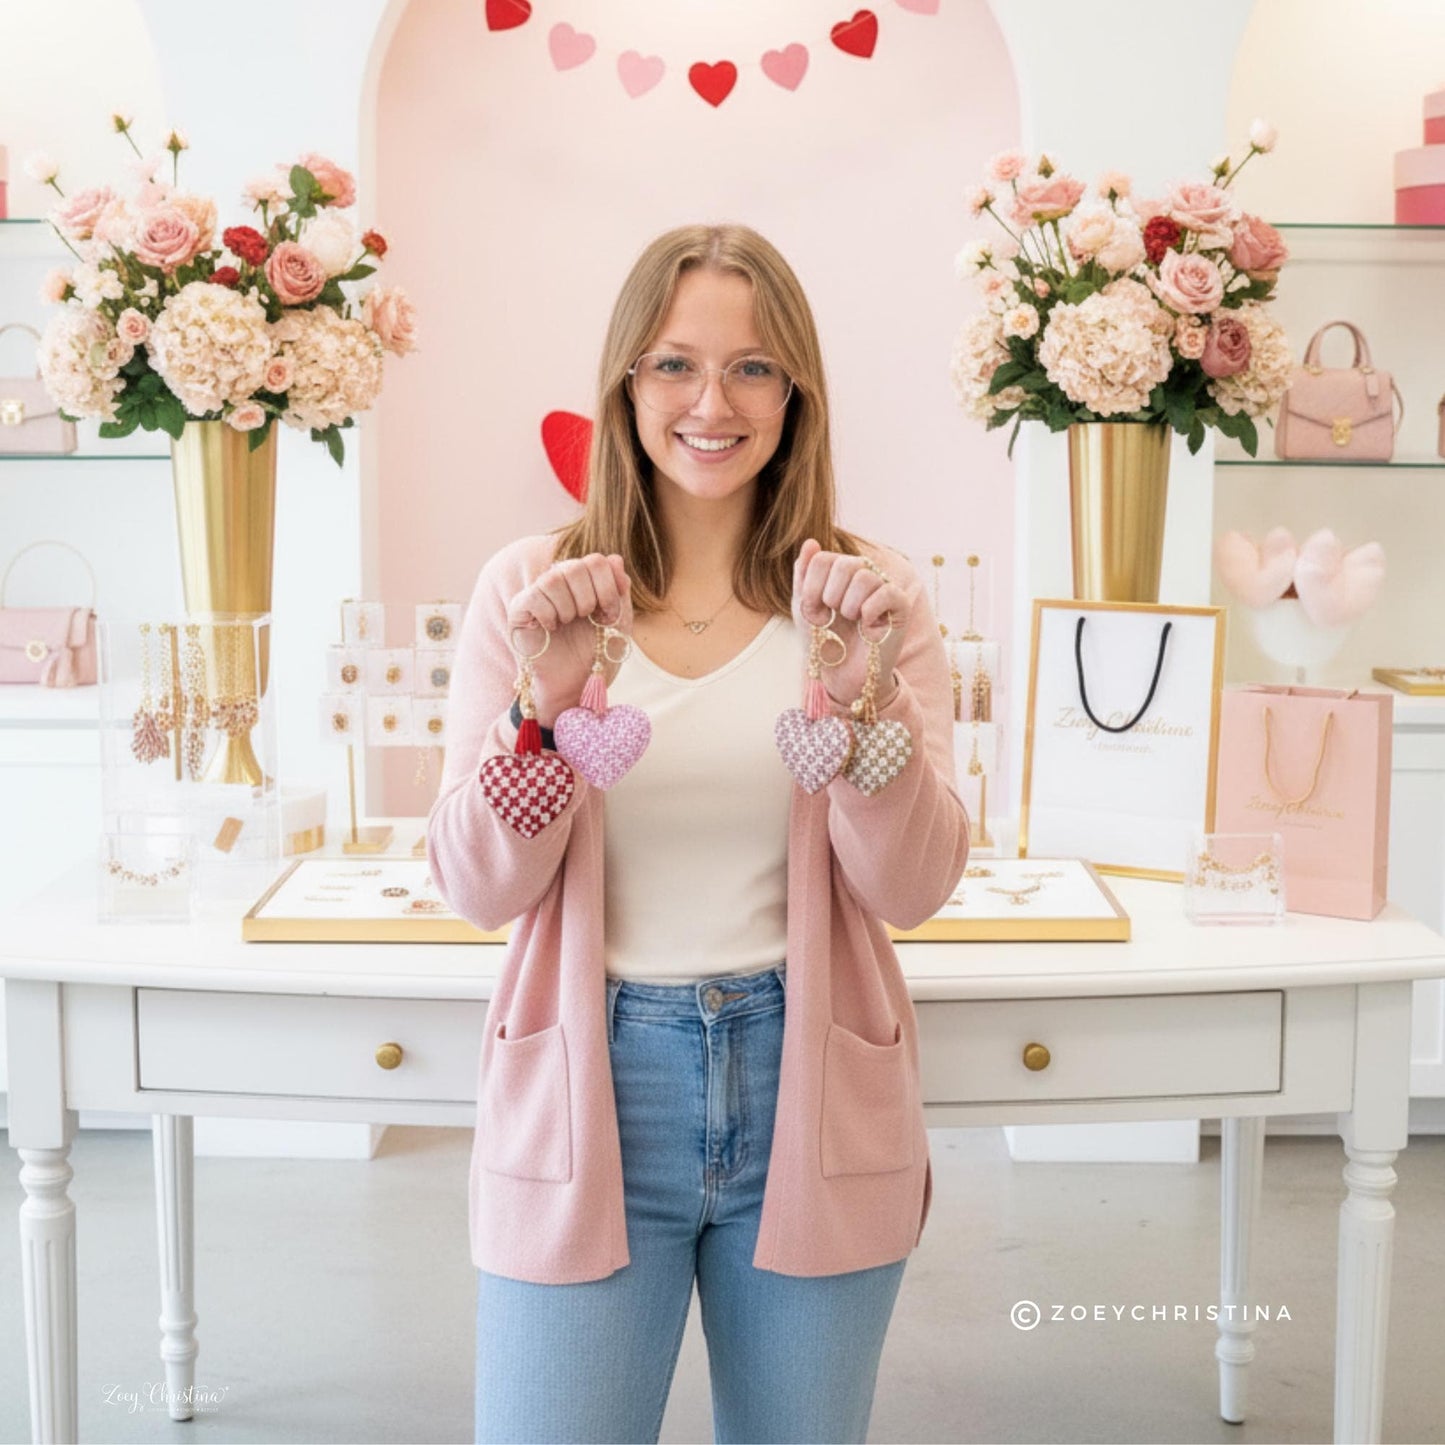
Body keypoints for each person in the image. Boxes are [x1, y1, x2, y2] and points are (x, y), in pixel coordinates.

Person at [427, 222, 971, 1444]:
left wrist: (866, 694)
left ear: (796, 395)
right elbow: (476, 883)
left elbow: (913, 883)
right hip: (591, 1080)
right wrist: (545, 702)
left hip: (807, 1077)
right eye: (673, 364)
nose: (710, 402)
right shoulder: (533, 589)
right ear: (624, 384)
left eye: (752, 367)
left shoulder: (866, 597)